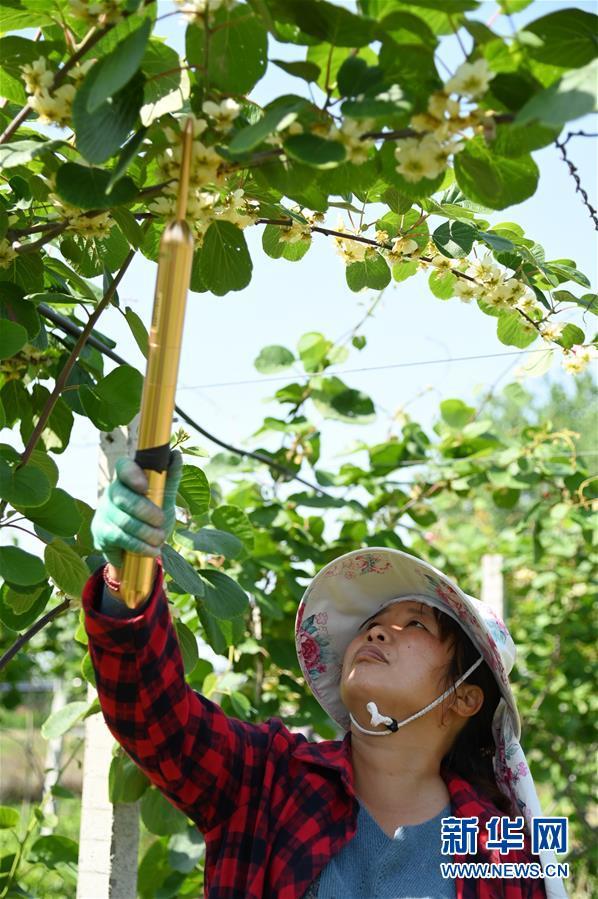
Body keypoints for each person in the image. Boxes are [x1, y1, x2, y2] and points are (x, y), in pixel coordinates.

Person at [84, 451, 567, 899]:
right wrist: (130, 574)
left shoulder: (503, 848)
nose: (377, 633)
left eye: (415, 623)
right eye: (373, 624)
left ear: (465, 698)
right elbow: (154, 715)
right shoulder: (268, 779)